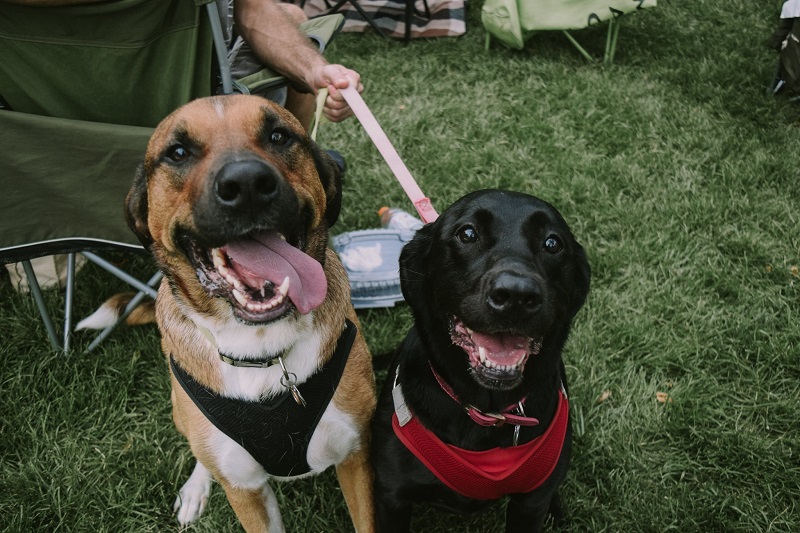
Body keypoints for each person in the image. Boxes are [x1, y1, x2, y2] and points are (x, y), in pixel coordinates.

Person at [223, 0, 364, 131]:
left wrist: (315, 70)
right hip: (205, 100)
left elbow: (252, 9)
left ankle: (299, 152)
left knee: (293, 15)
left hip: (218, 75)